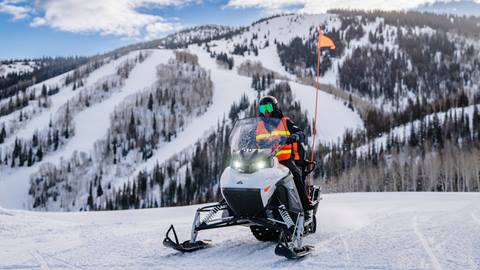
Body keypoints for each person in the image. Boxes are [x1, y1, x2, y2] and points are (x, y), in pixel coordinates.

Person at [256, 96, 315, 213]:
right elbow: (251, 141)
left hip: (283, 161)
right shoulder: (259, 126)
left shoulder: (285, 122)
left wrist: (295, 136)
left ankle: (305, 204)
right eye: (263, 108)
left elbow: (300, 132)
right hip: (265, 160)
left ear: (275, 107)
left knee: (295, 175)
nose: (266, 111)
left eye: (268, 107)